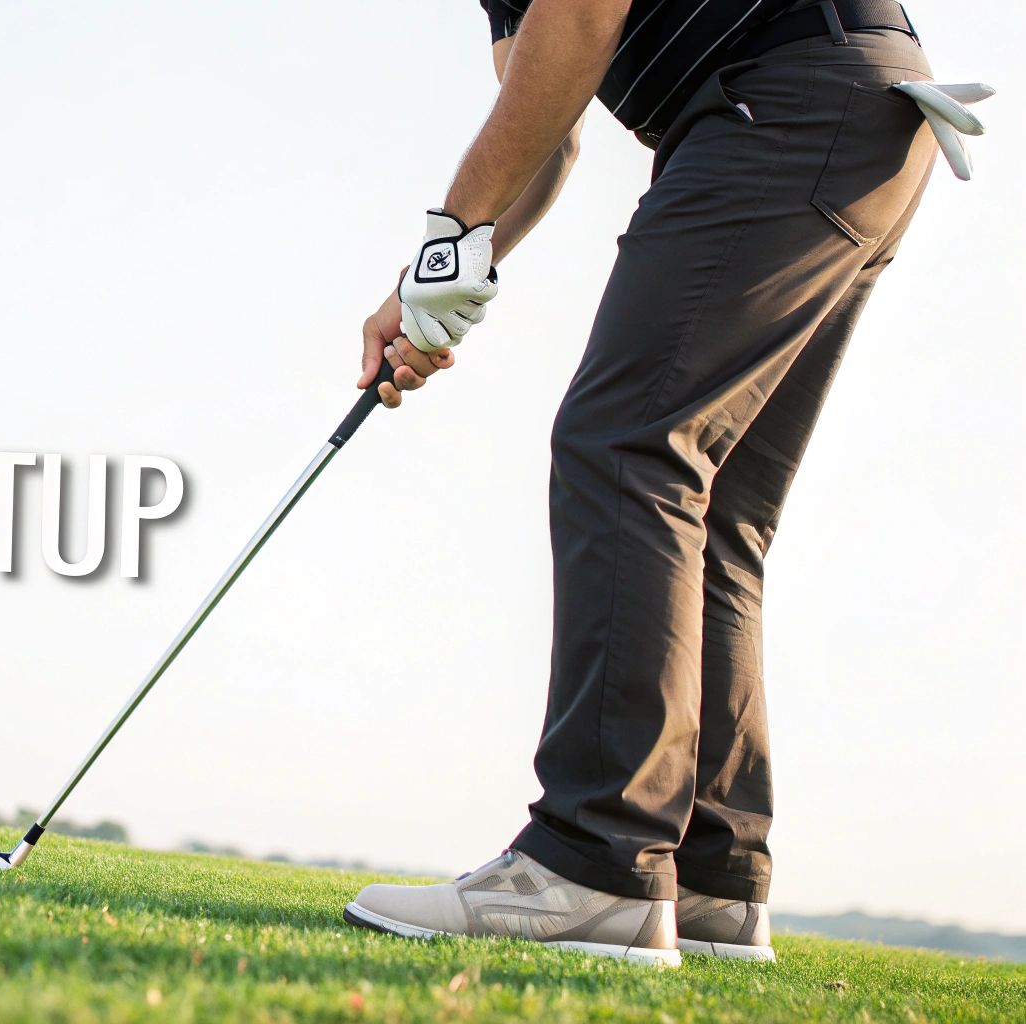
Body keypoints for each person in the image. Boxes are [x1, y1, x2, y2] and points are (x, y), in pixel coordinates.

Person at [342, 0, 945, 967]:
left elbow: (582, 20)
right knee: (715, 510)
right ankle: (710, 879)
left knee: (626, 448)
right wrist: (438, 279)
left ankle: (596, 864)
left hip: (786, 104)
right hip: (851, 120)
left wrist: (453, 236)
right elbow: (550, 115)